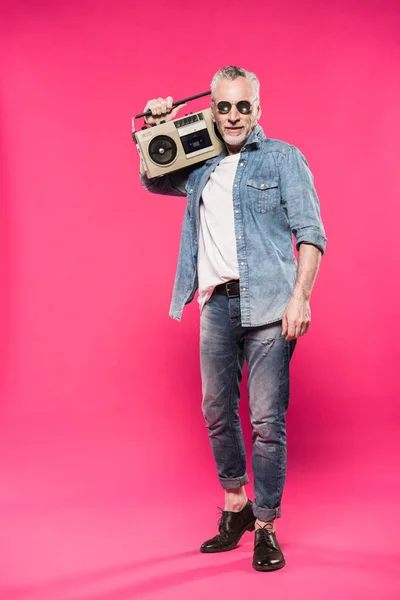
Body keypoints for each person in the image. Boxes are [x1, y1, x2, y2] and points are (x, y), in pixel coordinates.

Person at [139, 66, 327, 572]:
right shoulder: (201, 163)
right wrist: (160, 123)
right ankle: (236, 504)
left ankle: (265, 525)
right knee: (216, 411)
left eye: (244, 106)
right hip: (216, 306)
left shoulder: (285, 159)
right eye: (224, 106)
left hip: (269, 308)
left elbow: (311, 234)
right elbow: (153, 176)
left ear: (258, 108)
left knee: (267, 422)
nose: (234, 115)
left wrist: (300, 298)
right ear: (212, 110)